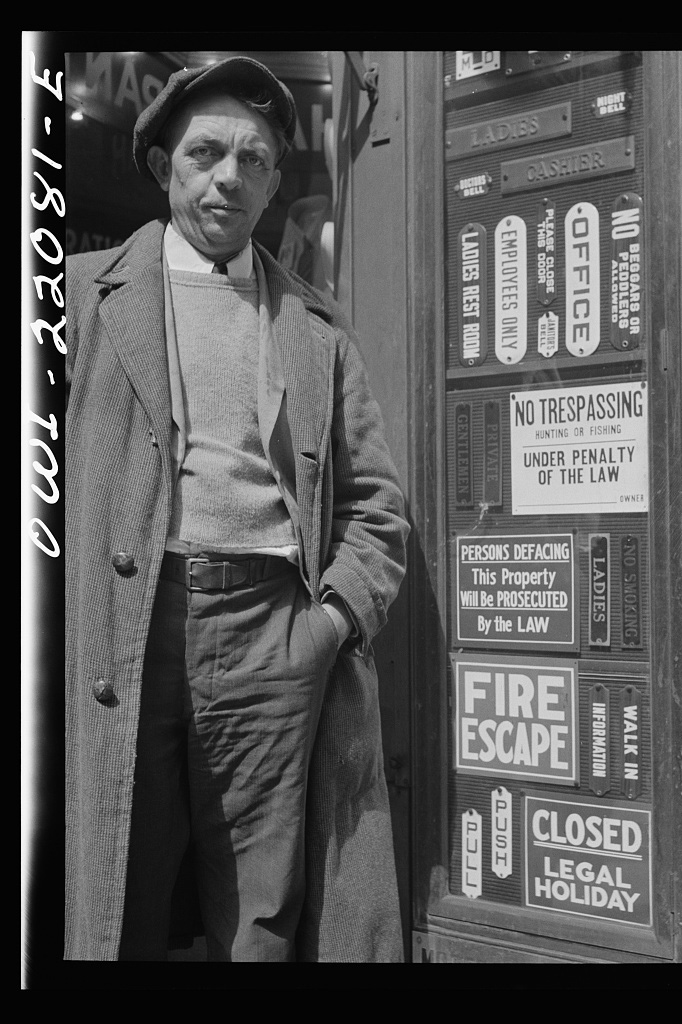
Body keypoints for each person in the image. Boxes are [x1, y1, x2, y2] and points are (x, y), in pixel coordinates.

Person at [64, 55, 409, 962]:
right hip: (127, 628)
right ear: (162, 162)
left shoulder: (316, 324)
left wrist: (327, 627)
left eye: (255, 160)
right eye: (208, 151)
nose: (231, 176)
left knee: (259, 918)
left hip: (271, 631)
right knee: (115, 898)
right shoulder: (77, 299)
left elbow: (378, 507)